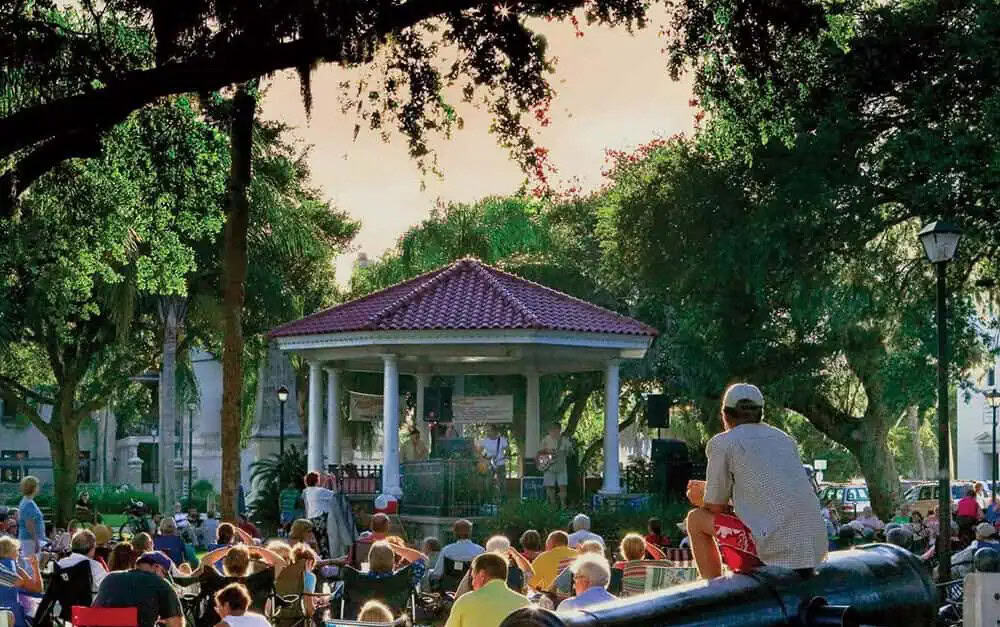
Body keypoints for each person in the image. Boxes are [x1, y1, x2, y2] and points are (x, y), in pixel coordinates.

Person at [685, 383, 827, 580]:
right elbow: (768, 495)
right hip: (814, 547)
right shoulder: (785, 440)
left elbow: (715, 507)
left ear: (725, 415)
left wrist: (702, 496)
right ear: (761, 414)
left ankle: (714, 587)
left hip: (773, 548)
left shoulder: (722, 443)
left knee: (695, 519)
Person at [93, 551, 183, 627]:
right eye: (164, 573)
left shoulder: (110, 578)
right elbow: (176, 624)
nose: (164, 577)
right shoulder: (160, 583)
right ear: (156, 567)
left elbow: (94, 609)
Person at [445, 552, 531, 627]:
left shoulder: (465, 601)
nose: (472, 583)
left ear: (482, 575)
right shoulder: (524, 603)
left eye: (473, 577)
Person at [454, 535, 535, 598]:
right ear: (508, 553)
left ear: (487, 552)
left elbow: (459, 594)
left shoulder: (476, 570)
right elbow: (531, 574)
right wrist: (516, 554)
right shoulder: (517, 573)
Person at [56, 529, 108, 595]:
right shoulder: (95, 566)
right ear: (92, 549)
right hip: (88, 603)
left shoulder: (60, 563)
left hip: (62, 603)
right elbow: (107, 588)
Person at [538, 424, 572, 509]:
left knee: (562, 486)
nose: (553, 431)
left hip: (561, 467)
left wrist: (567, 450)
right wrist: (547, 451)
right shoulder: (545, 439)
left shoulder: (564, 440)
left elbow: (570, 453)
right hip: (548, 467)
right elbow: (539, 452)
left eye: (555, 429)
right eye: (552, 429)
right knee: (549, 486)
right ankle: (553, 505)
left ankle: (563, 505)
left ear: (559, 430)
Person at [302, 471, 335, 557]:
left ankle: (317, 557)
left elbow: (319, 491)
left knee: (316, 540)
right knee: (323, 540)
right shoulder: (320, 491)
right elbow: (335, 494)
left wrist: (325, 482)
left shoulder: (306, 491)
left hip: (311, 518)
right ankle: (325, 558)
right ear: (317, 480)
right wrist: (333, 481)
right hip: (320, 518)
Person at [17, 476, 45, 557]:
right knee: (32, 566)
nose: (38, 488)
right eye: (37, 486)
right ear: (33, 488)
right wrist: (35, 541)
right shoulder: (28, 503)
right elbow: (29, 524)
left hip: (28, 539)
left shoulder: (26, 501)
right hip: (29, 540)